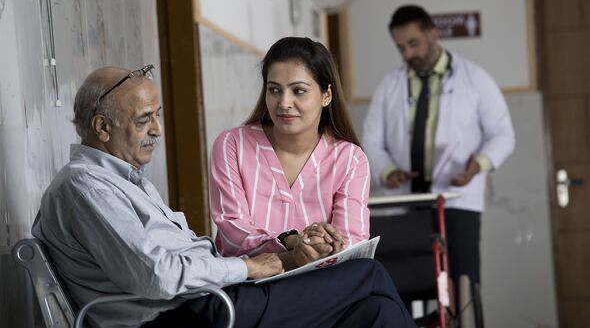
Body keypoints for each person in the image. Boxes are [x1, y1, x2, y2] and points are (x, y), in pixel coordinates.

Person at [32, 65, 415, 328]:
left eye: (158, 115)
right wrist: (249, 268)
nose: (158, 130)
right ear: (102, 127)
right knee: (368, 274)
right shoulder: (85, 188)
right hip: (185, 317)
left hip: (210, 302)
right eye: (144, 119)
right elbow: (155, 275)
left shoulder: (127, 180)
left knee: (375, 310)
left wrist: (278, 260)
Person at [363, 5, 515, 297]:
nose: (408, 54)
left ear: (433, 35)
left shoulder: (474, 79)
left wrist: (479, 164)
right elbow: (371, 140)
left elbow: (503, 134)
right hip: (406, 201)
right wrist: (388, 171)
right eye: (400, 48)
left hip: (457, 202)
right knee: (402, 286)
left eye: (413, 44)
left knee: (462, 287)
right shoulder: (389, 86)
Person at [209, 37, 370, 269]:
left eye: (298, 91)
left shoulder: (350, 159)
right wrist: (292, 242)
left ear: (326, 95)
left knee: (373, 276)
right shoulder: (232, 145)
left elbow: (353, 243)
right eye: (274, 90)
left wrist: (323, 245)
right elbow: (232, 231)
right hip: (253, 287)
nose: (284, 102)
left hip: (324, 285)